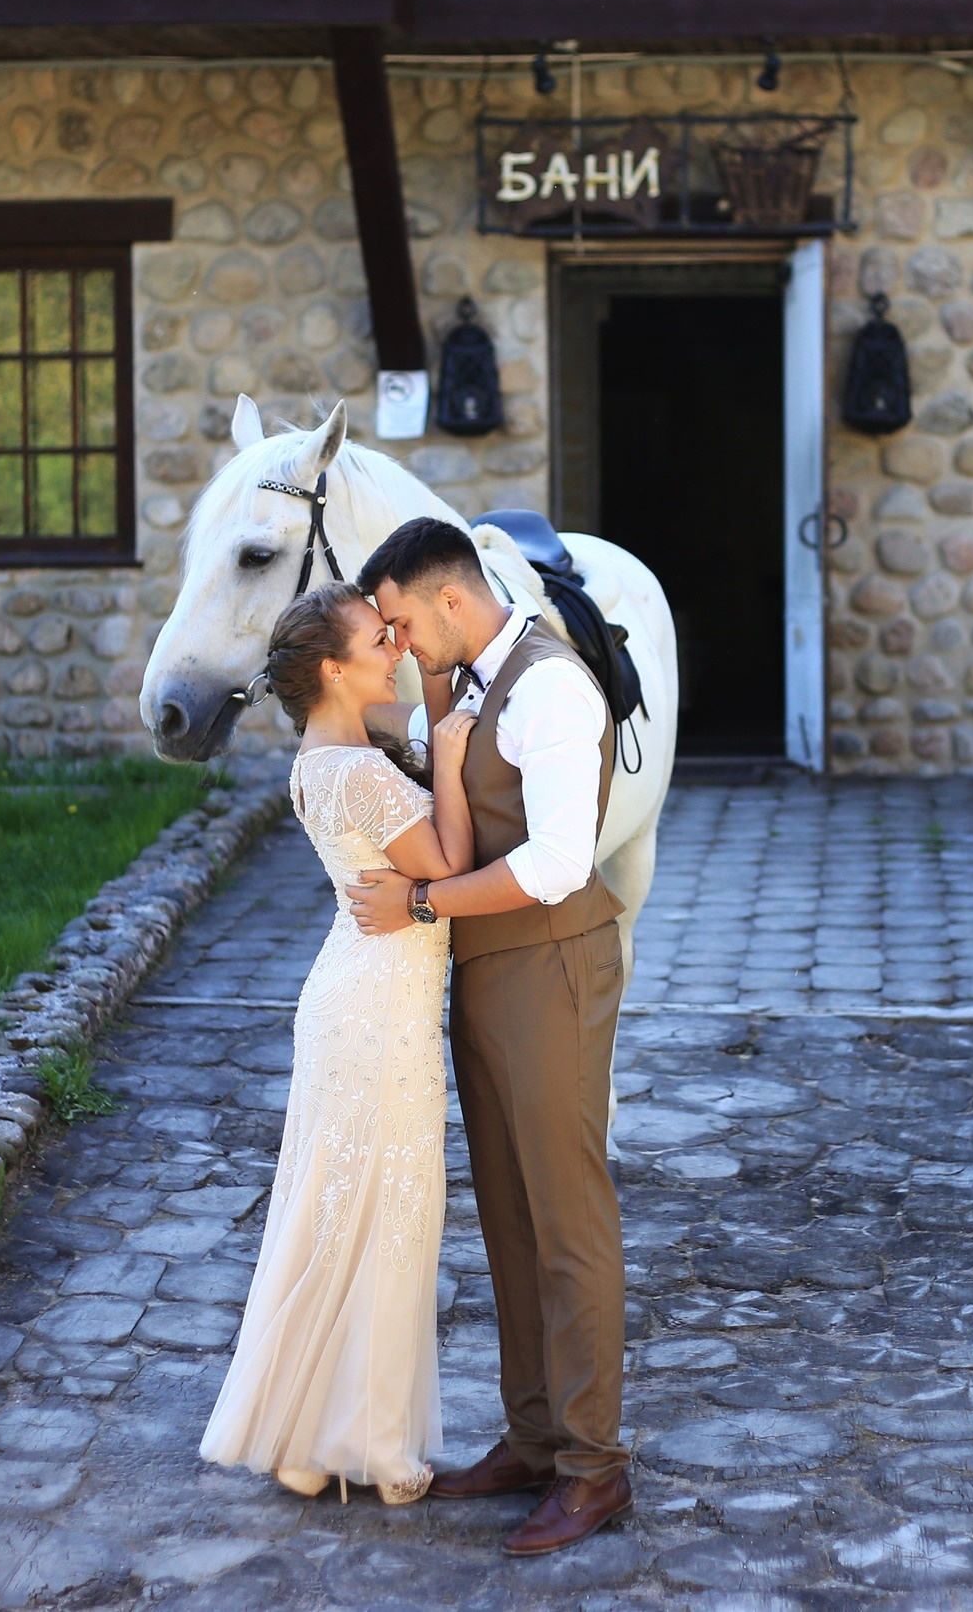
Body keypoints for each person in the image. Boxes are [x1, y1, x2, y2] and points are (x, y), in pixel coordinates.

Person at [345, 517, 634, 1558]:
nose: (399, 638)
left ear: (451, 601)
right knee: (508, 1217)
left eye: (403, 620)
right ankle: (534, 1436)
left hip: (552, 965)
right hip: (489, 970)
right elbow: (448, 791)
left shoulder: (550, 686)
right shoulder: (467, 680)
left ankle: (596, 1469)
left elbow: (558, 860)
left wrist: (422, 902)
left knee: (566, 1218)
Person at [197, 580, 477, 1507]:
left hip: (353, 995)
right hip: (378, 1010)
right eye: (374, 641)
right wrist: (451, 758)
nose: (392, 648)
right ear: (332, 669)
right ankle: (379, 1449)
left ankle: (308, 1442)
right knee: (390, 1218)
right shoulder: (356, 770)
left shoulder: (325, 755)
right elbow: (448, 866)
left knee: (341, 1214)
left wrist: (426, 704)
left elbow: (387, 706)